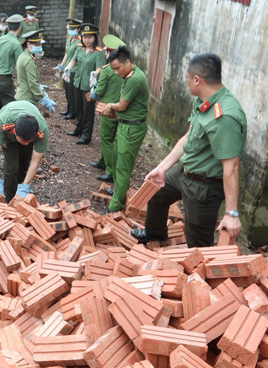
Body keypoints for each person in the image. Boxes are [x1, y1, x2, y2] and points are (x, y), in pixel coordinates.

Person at [131, 53, 246, 247]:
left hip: (204, 186)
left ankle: (196, 272)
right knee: (157, 195)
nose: (186, 82)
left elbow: (232, 168)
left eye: (186, 78)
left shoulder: (225, 116)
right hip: (185, 171)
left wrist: (231, 213)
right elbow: (188, 137)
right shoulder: (203, 100)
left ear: (197, 80)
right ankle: (155, 234)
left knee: (197, 242)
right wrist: (163, 168)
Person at [98, 46, 149, 214]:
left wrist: (110, 106)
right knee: (117, 159)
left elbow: (122, 105)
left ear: (127, 62)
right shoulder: (129, 76)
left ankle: (116, 205)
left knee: (123, 166)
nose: (115, 72)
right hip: (125, 124)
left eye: (117, 68)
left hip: (132, 128)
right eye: (113, 69)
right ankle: (119, 192)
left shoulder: (134, 79)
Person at [0, 100, 49, 202]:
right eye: (24, 140)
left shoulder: (42, 130)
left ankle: (20, 196)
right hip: (9, 131)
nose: (26, 143)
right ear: (15, 132)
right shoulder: (4, 122)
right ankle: (9, 199)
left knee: (24, 163)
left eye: (29, 140)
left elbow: (35, 161)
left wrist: (25, 185)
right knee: (12, 168)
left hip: (29, 116)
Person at [66, 23, 107, 145]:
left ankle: (86, 134)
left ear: (94, 38)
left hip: (89, 85)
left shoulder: (99, 52)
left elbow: (100, 67)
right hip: (77, 82)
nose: (87, 40)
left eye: (89, 37)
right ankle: (78, 128)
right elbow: (73, 60)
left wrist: (95, 72)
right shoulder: (80, 48)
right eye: (84, 37)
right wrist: (68, 68)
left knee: (87, 110)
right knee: (78, 107)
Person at [91, 34, 125, 180]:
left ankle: (110, 171)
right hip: (121, 109)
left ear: (109, 54)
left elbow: (99, 92)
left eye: (106, 52)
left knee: (106, 139)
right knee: (113, 139)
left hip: (107, 108)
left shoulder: (106, 70)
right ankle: (103, 161)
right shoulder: (125, 70)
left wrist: (94, 88)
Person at [15, 30, 56, 114]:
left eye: (40, 44)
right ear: (28, 44)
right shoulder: (28, 60)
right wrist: (43, 99)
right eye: (36, 45)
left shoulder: (24, 55)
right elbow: (32, 83)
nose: (39, 47)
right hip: (27, 99)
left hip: (22, 96)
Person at [0, 14, 24, 108]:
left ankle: (0, 122)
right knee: (9, 107)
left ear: (8, 28)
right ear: (19, 28)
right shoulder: (16, 44)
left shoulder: (0, 39)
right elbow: (19, 65)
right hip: (4, 79)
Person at [59, 18, 82, 119]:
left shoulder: (80, 41)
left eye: (73, 29)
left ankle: (73, 111)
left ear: (78, 29)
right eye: (70, 28)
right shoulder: (70, 39)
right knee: (67, 90)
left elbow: (77, 57)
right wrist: (61, 65)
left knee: (72, 91)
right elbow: (67, 54)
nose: (71, 30)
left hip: (74, 70)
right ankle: (69, 108)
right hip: (67, 69)